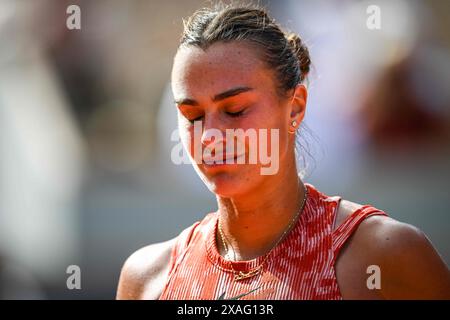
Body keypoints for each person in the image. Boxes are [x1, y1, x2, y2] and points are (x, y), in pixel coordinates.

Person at [116, 4, 450, 300]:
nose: (210, 137)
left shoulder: (383, 255)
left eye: (235, 110)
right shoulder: (148, 278)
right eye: (193, 116)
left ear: (295, 107)